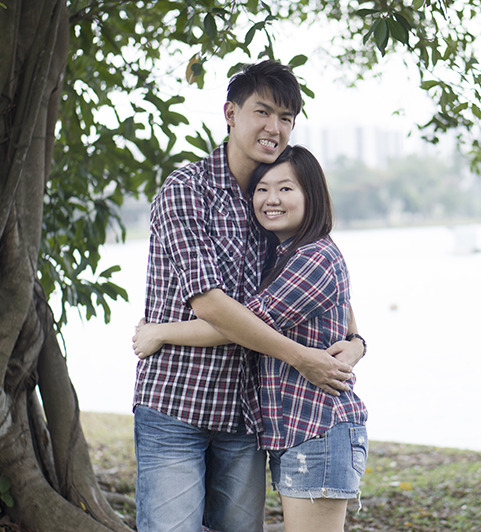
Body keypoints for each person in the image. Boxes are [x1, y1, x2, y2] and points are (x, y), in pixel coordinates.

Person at [133, 60, 365, 532]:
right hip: (177, 401)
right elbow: (209, 303)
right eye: (263, 112)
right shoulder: (188, 189)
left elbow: (323, 285)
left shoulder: (272, 200)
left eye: (286, 118)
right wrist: (301, 356)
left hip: (245, 415)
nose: (274, 127)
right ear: (230, 113)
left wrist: (357, 342)